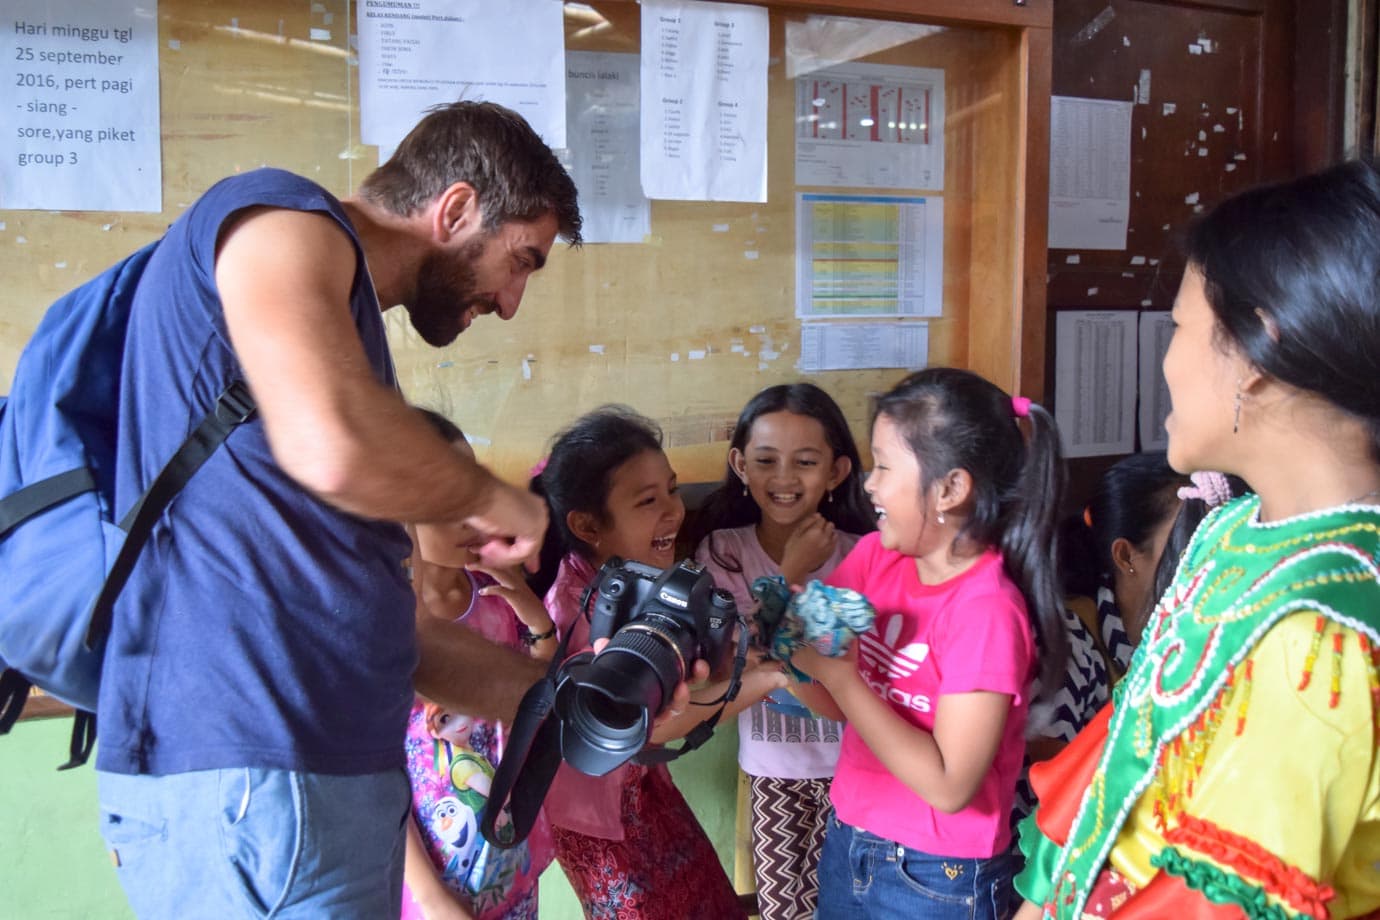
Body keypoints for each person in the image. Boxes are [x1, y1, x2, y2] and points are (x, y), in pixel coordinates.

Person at [94, 101, 583, 918]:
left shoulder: (355, 360)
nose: (510, 303)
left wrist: (584, 700)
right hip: (252, 781)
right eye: (520, 260)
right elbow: (334, 442)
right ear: (455, 209)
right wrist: (486, 496)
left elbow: (401, 642)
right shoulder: (280, 217)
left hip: (313, 786)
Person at [1012, 160, 1380, 918]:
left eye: (1180, 326)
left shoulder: (1319, 634)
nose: (1167, 357)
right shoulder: (1239, 530)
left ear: (1256, 353)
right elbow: (1125, 772)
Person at [791, 367, 1068, 920]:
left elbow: (949, 785)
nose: (869, 484)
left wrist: (839, 673)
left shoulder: (987, 610)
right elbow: (836, 704)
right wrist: (792, 659)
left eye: (884, 467)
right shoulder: (876, 557)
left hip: (936, 876)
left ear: (950, 489)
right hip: (851, 840)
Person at [532, 406, 786, 920]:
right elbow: (643, 730)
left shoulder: (633, 579)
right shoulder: (575, 609)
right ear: (586, 524)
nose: (674, 510)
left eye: (672, 489)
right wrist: (766, 679)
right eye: (648, 500)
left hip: (643, 797)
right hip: (600, 825)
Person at [688, 382, 874, 920]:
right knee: (784, 910)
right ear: (740, 465)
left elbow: (843, 672)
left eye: (806, 461)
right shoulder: (723, 551)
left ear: (837, 472)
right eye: (766, 460)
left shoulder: (861, 555)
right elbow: (733, 658)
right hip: (775, 773)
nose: (785, 478)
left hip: (858, 769)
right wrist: (790, 572)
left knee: (853, 904)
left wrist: (782, 648)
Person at [402, 410, 559, 920]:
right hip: (437, 881)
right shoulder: (386, 627)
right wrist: (431, 896)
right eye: (448, 504)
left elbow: (537, 695)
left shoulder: (494, 595)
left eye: (475, 493)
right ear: (397, 513)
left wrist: (537, 620)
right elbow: (374, 777)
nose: (475, 518)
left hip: (510, 863)